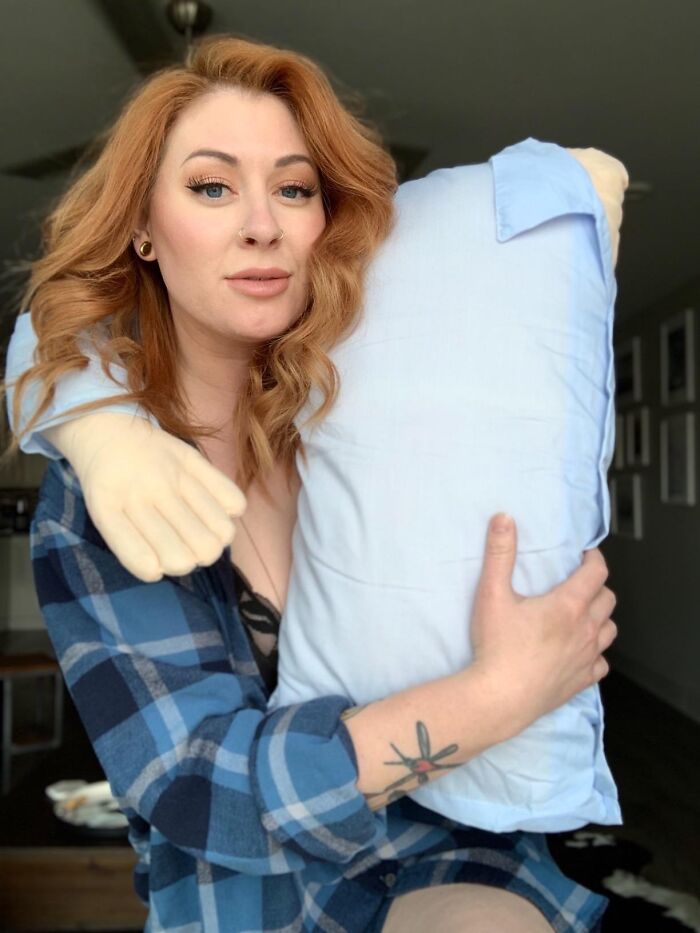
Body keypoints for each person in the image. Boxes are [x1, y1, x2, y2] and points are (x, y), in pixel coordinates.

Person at [4, 35, 618, 932]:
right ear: (142, 225)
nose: (263, 224)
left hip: (449, 853)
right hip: (243, 898)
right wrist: (497, 695)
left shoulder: (369, 414)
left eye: (294, 188)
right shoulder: (95, 496)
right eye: (211, 187)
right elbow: (196, 786)